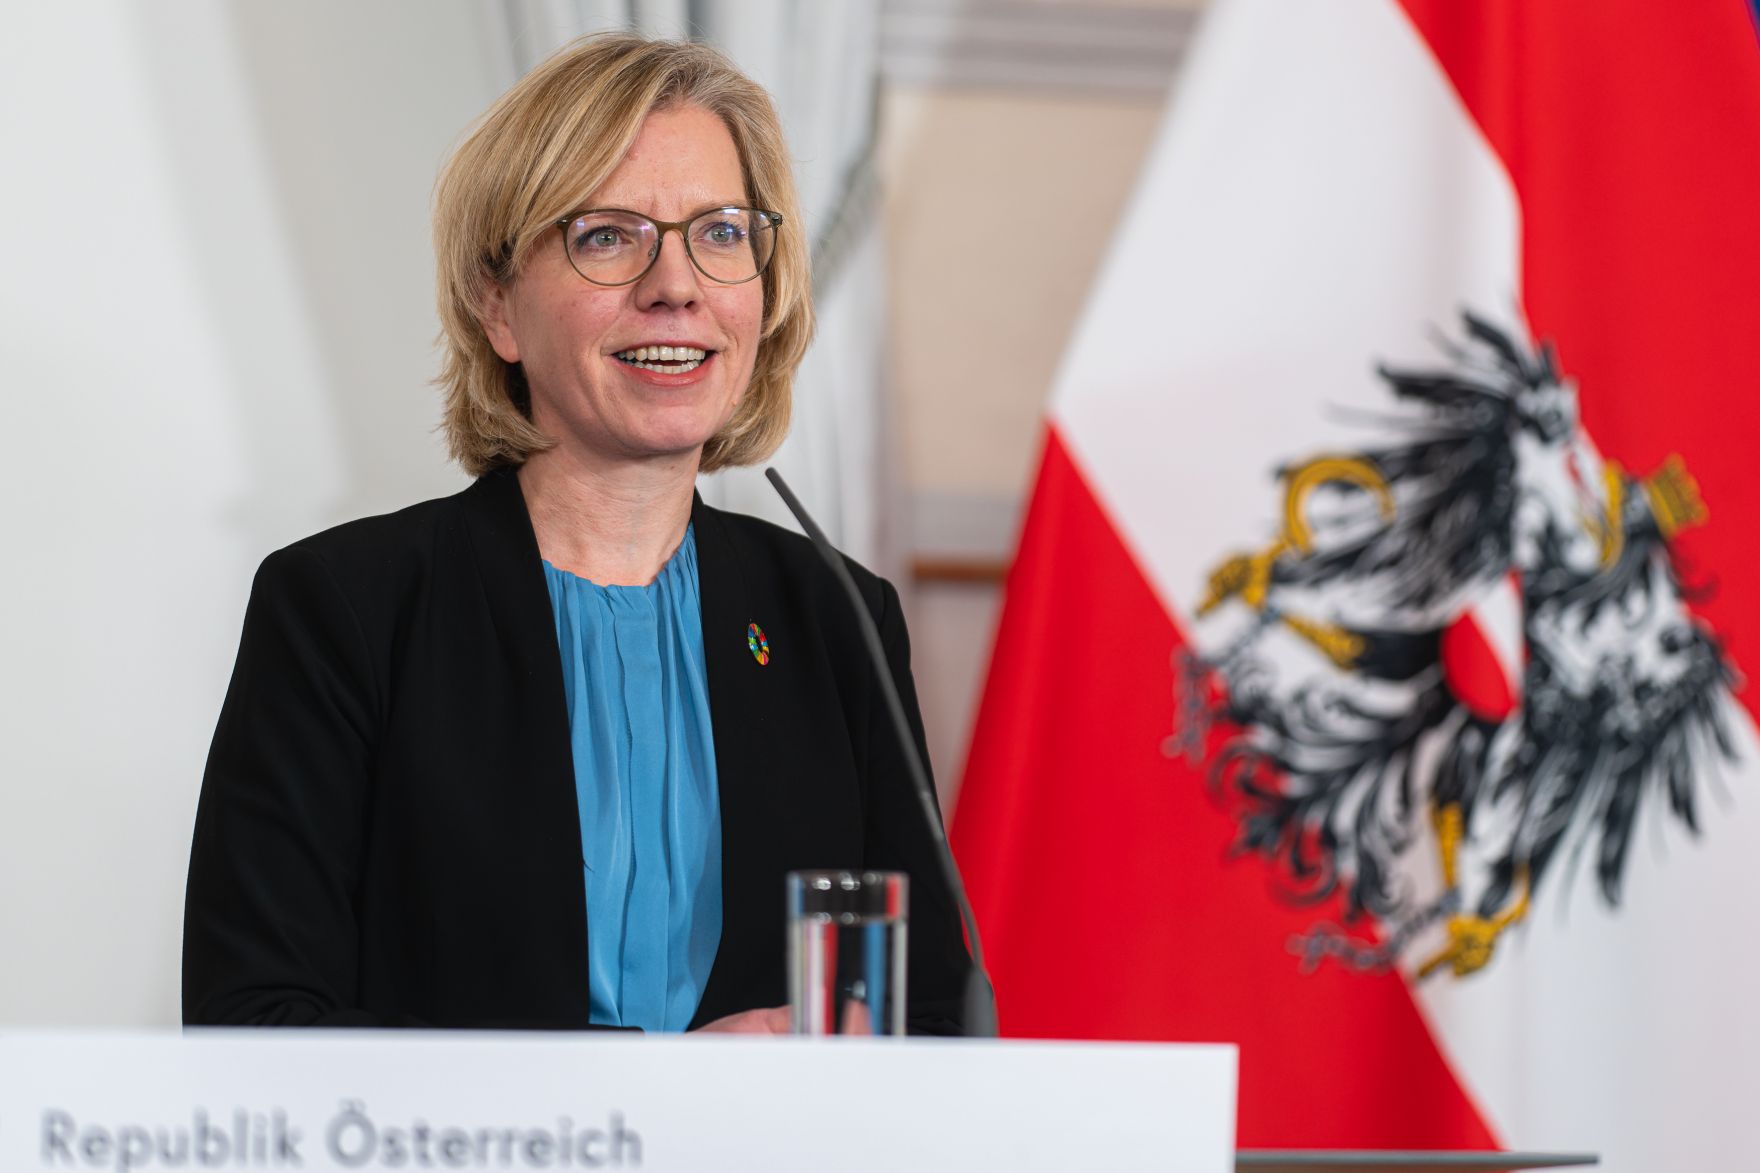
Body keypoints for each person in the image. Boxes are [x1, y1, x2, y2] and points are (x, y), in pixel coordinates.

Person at [182, 33, 971, 1035]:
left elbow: (933, 1017)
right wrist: (651, 1091)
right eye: (607, 235)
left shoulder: (835, 616)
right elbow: (253, 1023)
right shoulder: (347, 607)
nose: (675, 285)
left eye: (721, 232)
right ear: (495, 304)